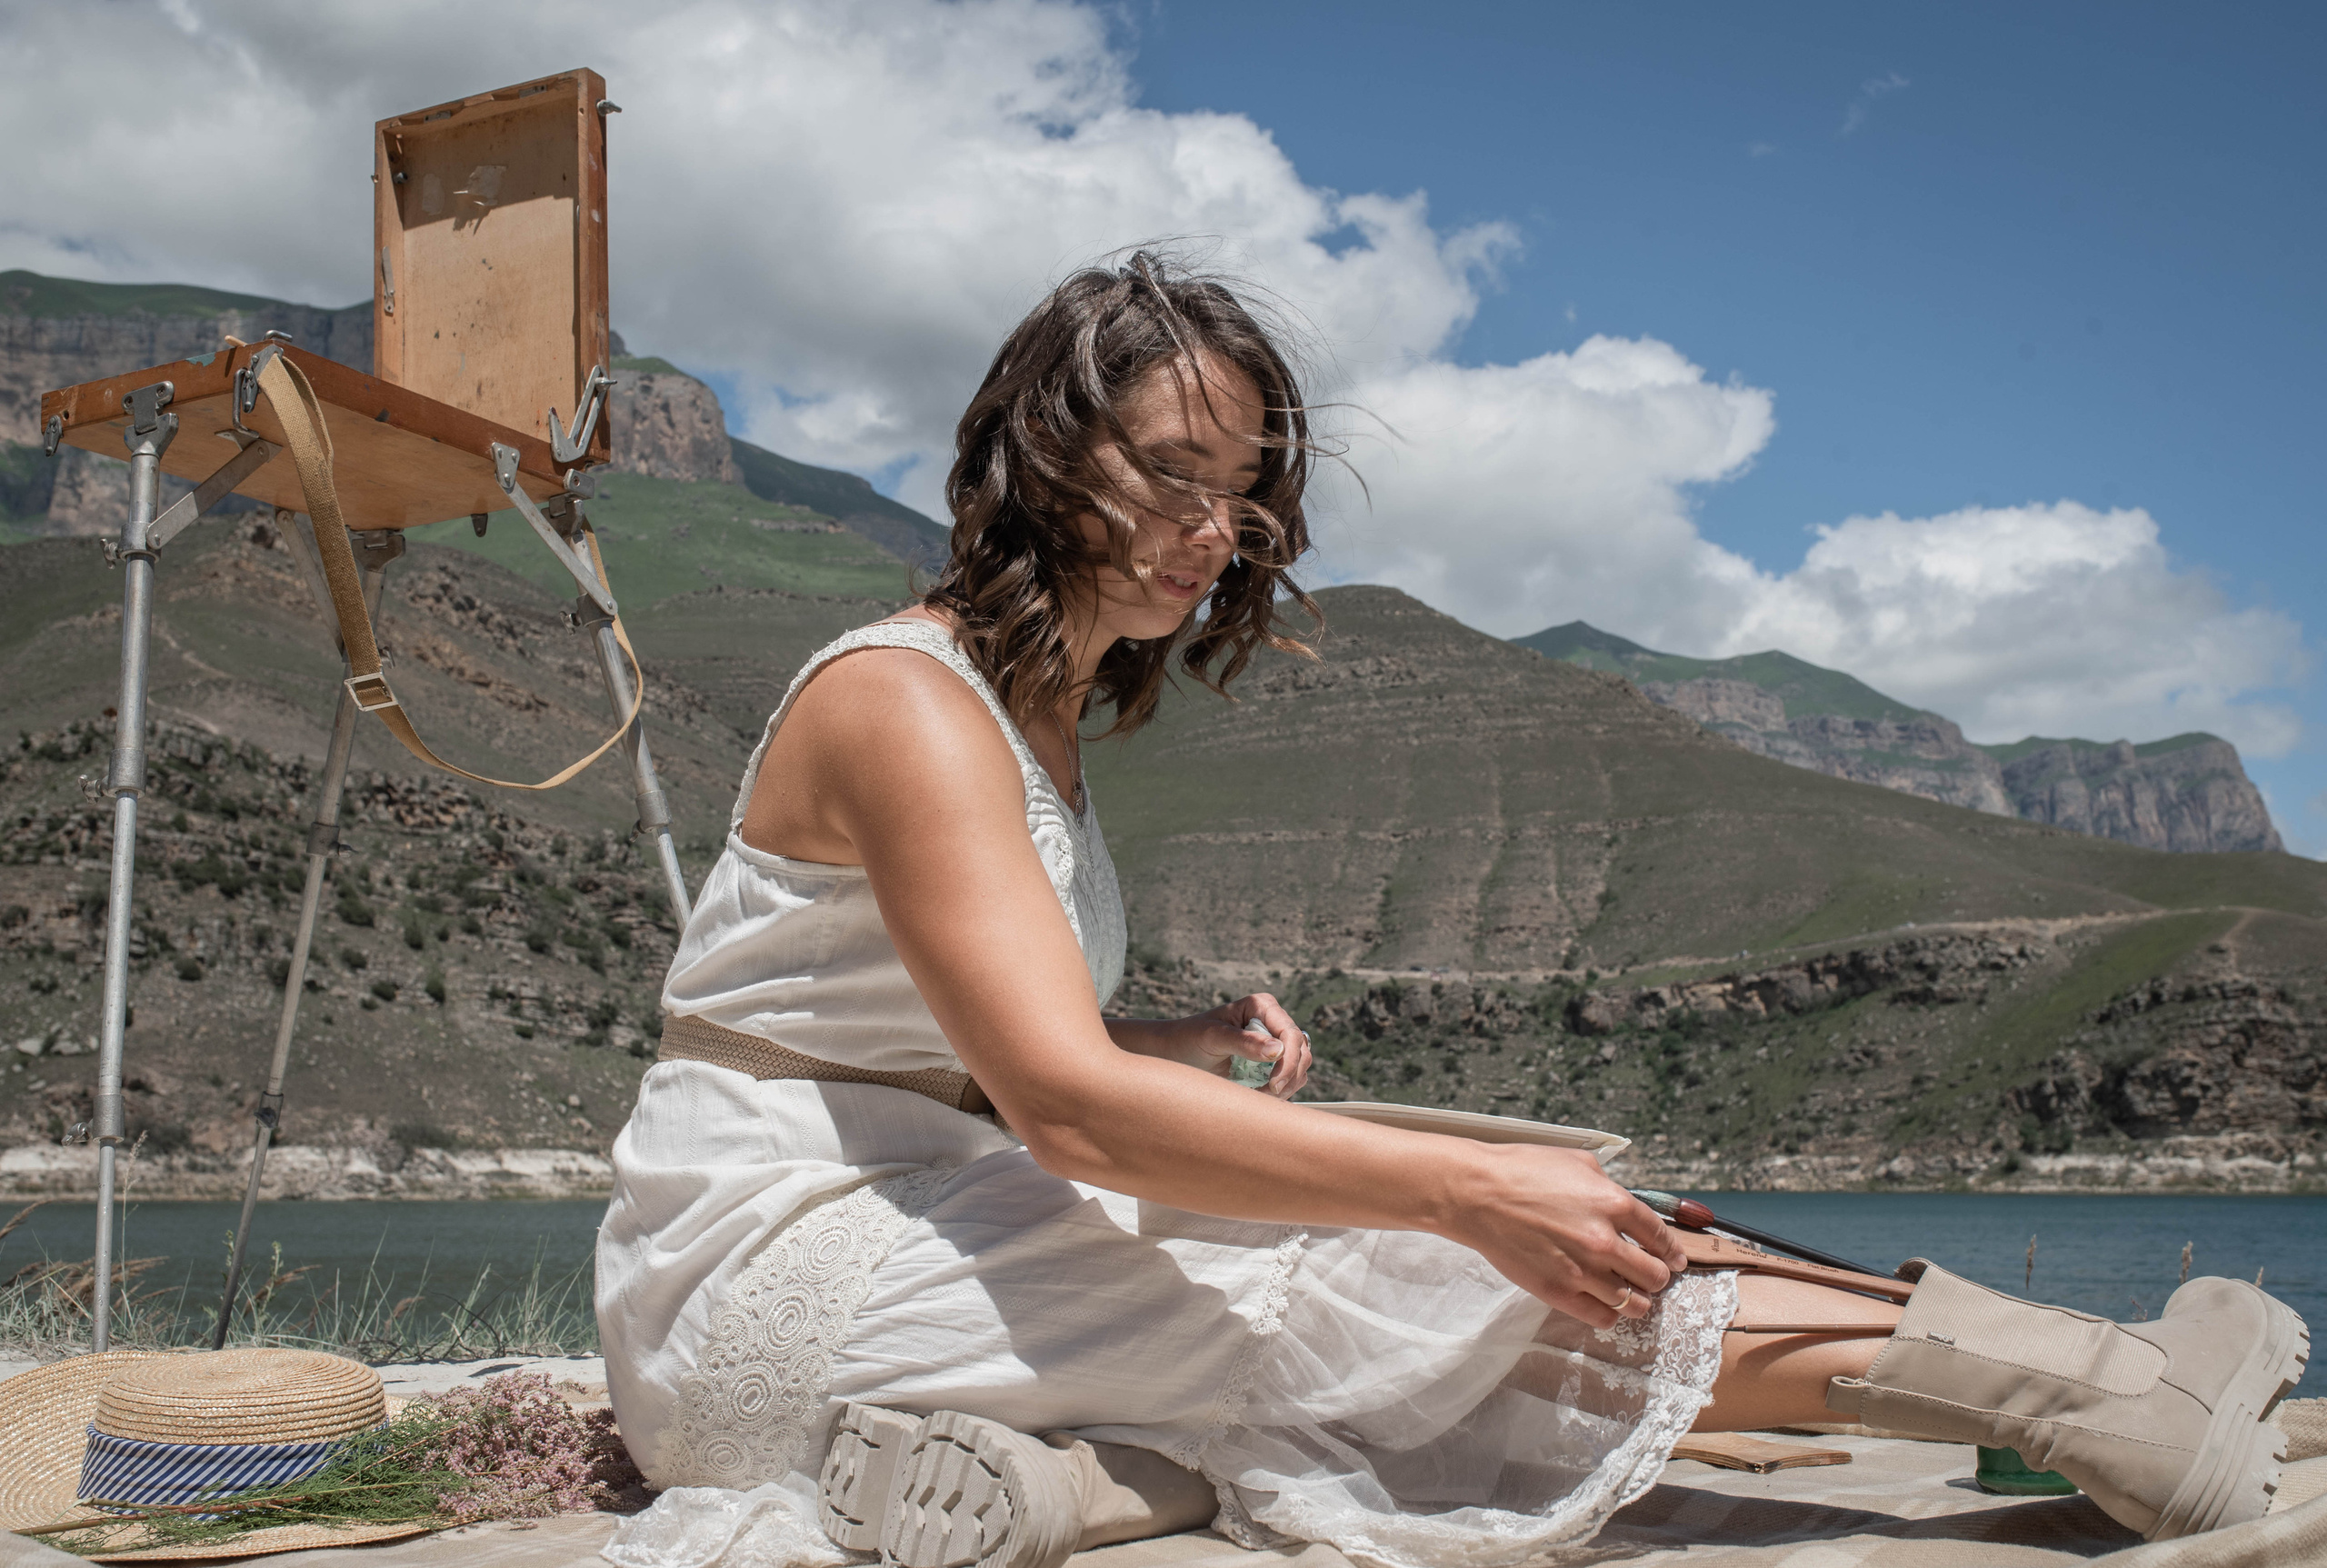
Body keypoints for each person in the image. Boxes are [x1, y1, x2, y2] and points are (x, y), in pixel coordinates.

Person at [596, 255, 2306, 1568]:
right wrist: (1465, 1189)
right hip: (774, 1278)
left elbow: (936, 1039)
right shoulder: (907, 703)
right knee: (1396, 1251)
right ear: (1048, 447)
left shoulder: (1033, 710)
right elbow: (1058, 1107)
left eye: (1239, 494)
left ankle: (1081, 1486)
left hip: (922, 1220)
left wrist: (1164, 1038)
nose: (1210, 532)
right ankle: (2109, 1399)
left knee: (1370, 1273)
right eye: (1172, 473)